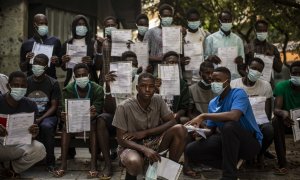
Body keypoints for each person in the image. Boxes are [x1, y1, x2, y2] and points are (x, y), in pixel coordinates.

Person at [184, 67, 263, 179]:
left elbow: (234, 116)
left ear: (228, 81)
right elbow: (211, 130)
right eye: (212, 80)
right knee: (191, 150)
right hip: (227, 142)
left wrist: (203, 115)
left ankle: (229, 176)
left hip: (249, 143)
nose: (214, 83)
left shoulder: (239, 93)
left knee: (229, 126)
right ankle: (230, 165)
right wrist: (199, 132)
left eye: (218, 80)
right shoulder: (213, 103)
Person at [112, 73, 187, 180]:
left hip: (155, 141)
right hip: (131, 145)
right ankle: (131, 176)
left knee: (180, 129)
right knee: (134, 161)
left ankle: (167, 172)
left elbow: (172, 122)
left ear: (154, 88)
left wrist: (145, 132)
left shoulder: (158, 100)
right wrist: (144, 149)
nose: (147, 89)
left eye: (151, 86)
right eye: (143, 86)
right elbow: (121, 139)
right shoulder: (124, 107)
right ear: (137, 88)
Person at [53, 63, 104, 178]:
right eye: (78, 76)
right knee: (66, 127)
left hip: (91, 121)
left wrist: (94, 112)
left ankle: (93, 164)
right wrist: (63, 115)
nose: (81, 78)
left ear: (89, 76)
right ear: (74, 78)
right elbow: (63, 109)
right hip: (74, 121)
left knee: (93, 125)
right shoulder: (68, 89)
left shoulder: (97, 89)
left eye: (84, 75)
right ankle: (63, 164)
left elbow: (99, 109)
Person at [0, 71, 46, 178]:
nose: (19, 88)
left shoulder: (30, 104)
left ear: (26, 87)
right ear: (8, 86)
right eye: (16, 85)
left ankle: (11, 169)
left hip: (17, 144)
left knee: (40, 149)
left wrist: (34, 133)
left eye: (23, 86)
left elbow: (32, 134)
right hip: (0, 144)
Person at [230, 57, 274, 167]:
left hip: (259, 121)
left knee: (269, 129)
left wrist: (259, 123)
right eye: (254, 68)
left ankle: (260, 153)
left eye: (259, 70)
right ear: (247, 68)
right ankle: (244, 154)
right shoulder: (233, 84)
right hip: (240, 121)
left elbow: (267, 113)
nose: (256, 72)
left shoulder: (265, 86)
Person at [25, 54, 61, 172]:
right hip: (30, 115)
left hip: (48, 116)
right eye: (35, 62)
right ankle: (26, 158)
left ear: (46, 66)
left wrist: (40, 119)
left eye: (40, 63)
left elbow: (54, 106)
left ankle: (50, 161)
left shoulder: (53, 82)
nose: (37, 66)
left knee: (46, 126)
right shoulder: (26, 81)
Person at [272, 61, 300, 175]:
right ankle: (282, 163)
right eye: (295, 73)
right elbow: (276, 109)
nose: (297, 76)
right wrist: (283, 113)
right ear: (290, 74)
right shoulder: (281, 86)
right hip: (287, 121)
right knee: (275, 121)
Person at [204, 10, 245, 79]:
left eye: (229, 20)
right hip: (216, 78)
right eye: (224, 20)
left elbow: (242, 61)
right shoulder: (210, 39)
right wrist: (210, 58)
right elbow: (205, 59)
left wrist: (240, 60)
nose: (227, 22)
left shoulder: (238, 40)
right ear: (219, 21)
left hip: (234, 78)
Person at [20, 14, 61, 79]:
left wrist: (57, 61)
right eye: (41, 23)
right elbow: (23, 68)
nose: (44, 26)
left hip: (50, 80)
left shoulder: (55, 41)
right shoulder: (26, 44)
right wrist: (27, 60)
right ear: (34, 25)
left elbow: (59, 64)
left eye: (46, 24)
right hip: (32, 81)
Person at [61, 14, 98, 87]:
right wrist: (64, 61)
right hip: (71, 81)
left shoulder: (93, 43)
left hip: (89, 81)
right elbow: (64, 68)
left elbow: (98, 65)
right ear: (74, 27)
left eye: (84, 24)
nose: (81, 26)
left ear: (87, 27)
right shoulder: (67, 43)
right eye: (79, 24)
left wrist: (91, 62)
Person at [245, 20, 282, 86]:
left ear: (267, 31)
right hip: (251, 84)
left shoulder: (273, 48)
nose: (262, 32)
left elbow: (279, 69)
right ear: (255, 31)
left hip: (268, 84)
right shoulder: (248, 47)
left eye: (264, 30)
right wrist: (248, 78)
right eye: (260, 30)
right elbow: (241, 68)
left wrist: (272, 57)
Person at [157, 51, 189, 123]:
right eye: (171, 62)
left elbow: (184, 107)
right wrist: (156, 89)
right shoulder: (155, 81)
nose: (174, 65)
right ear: (163, 64)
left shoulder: (183, 84)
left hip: (173, 116)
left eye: (176, 63)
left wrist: (177, 114)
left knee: (185, 120)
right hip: (157, 116)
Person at [183, 8, 210, 85]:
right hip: (188, 78)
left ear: (199, 20)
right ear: (187, 20)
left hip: (203, 78)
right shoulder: (183, 36)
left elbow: (209, 53)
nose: (194, 22)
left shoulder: (205, 34)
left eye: (196, 20)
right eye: (191, 20)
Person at [97, 16, 121, 85]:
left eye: (112, 25)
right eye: (108, 26)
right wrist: (99, 47)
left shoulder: (123, 43)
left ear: (116, 26)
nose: (110, 27)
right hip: (104, 80)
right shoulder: (100, 43)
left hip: (120, 80)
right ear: (105, 28)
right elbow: (97, 66)